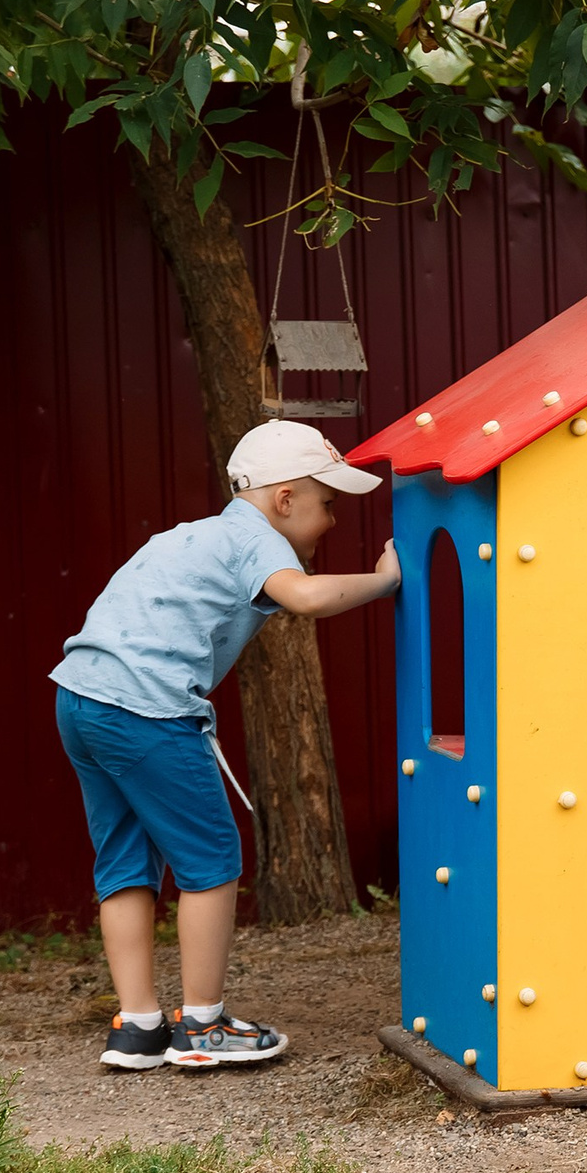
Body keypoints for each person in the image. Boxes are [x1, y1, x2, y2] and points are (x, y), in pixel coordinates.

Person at [53, 421, 399, 1073]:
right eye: (328, 504)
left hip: (81, 696)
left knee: (126, 859)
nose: (330, 522)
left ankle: (138, 1025)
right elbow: (302, 598)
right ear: (285, 498)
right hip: (145, 705)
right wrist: (384, 580)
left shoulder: (198, 535)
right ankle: (203, 1025)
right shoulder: (252, 537)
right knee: (211, 858)